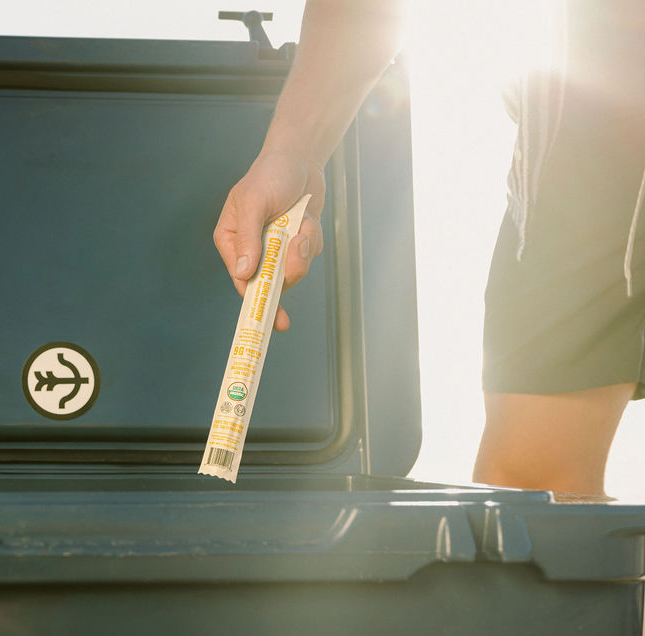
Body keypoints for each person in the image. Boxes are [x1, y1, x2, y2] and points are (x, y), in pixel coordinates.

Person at [213, 0, 645, 496]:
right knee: (535, 490)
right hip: (588, 107)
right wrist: (293, 150)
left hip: (599, 94)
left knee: (537, 489)